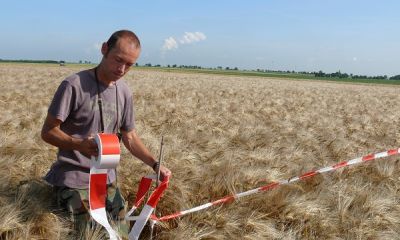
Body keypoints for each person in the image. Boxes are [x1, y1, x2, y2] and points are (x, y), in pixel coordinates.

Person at [41, 30, 171, 237]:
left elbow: (130, 136)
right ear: (104, 49)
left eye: (129, 65)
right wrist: (78, 144)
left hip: (107, 180)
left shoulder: (124, 92)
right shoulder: (73, 85)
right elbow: (47, 132)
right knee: (87, 232)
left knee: (122, 234)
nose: (121, 69)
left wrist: (155, 164)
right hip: (73, 179)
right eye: (118, 60)